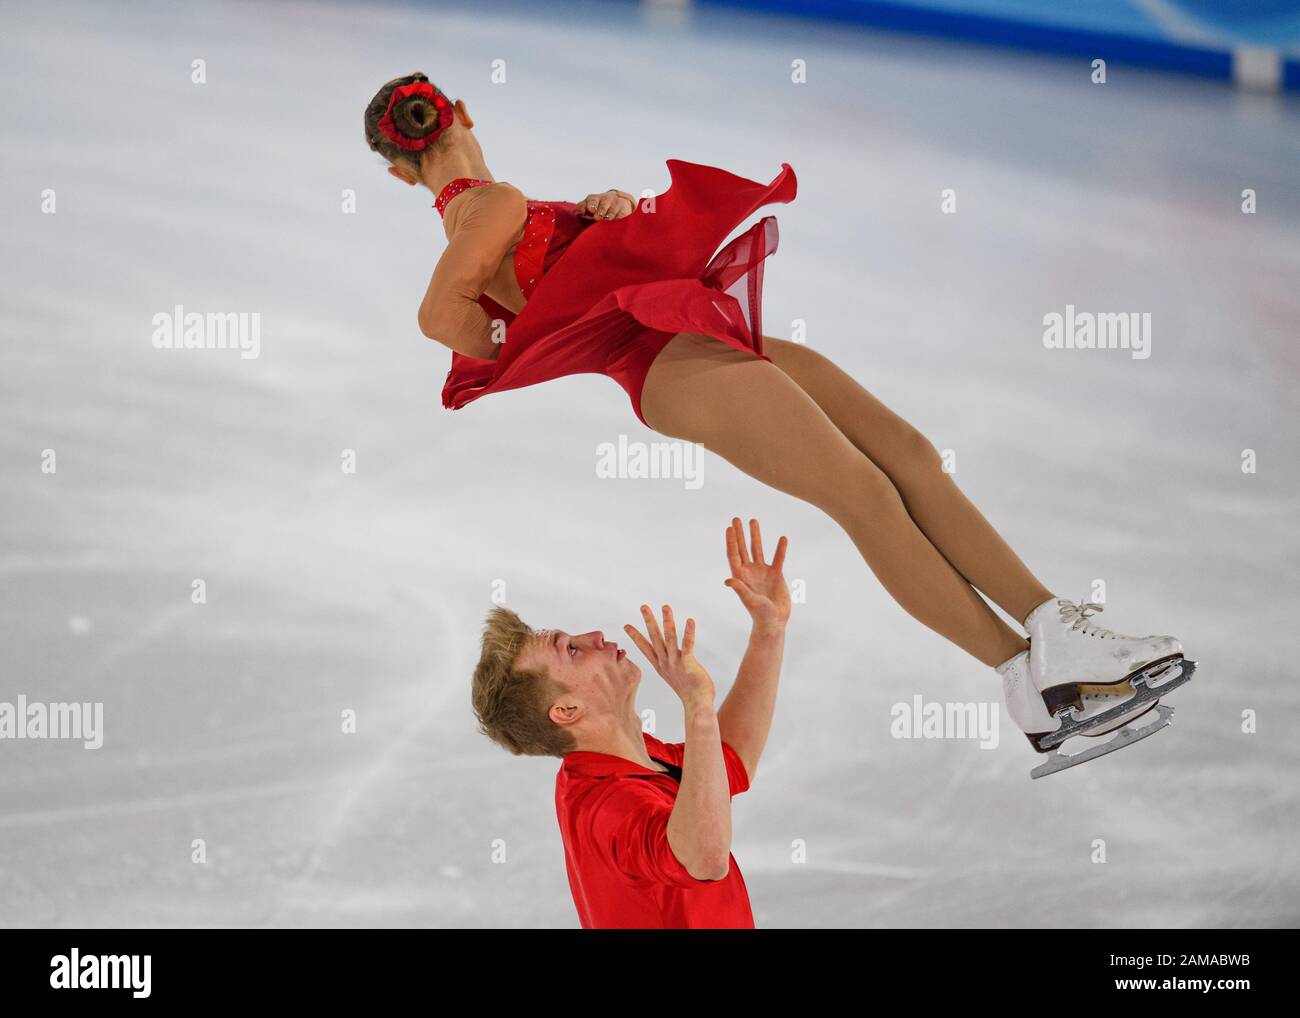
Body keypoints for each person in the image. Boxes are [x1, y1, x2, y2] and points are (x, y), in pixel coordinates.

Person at [365, 74, 1194, 776]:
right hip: (664, 364)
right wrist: (528, 333)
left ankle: (1056, 632)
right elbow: (442, 317)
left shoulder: (488, 211)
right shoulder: (491, 203)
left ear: (400, 172)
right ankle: (1033, 678)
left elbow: (521, 282)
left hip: (684, 337)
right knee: (864, 493)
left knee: (904, 457)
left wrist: (592, 221)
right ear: (464, 113)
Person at [471, 519, 789, 928]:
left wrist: (769, 630)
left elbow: (729, 761)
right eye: (571, 650)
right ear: (567, 711)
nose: (595, 636)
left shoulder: (631, 758)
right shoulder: (608, 807)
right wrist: (696, 706)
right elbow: (703, 858)